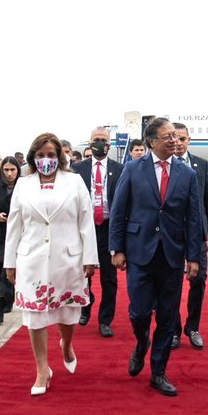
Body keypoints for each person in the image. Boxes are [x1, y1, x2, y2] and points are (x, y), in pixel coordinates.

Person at [109, 117, 201, 397]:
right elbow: (119, 209)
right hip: (139, 251)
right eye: (167, 136)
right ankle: (141, 342)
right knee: (138, 312)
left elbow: (193, 218)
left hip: (172, 254)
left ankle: (158, 372)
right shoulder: (134, 168)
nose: (174, 140)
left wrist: (194, 257)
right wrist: (117, 248)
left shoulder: (187, 174)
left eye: (175, 135)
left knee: (167, 314)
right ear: (151, 142)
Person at [4, 134, 98, 396]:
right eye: (41, 155)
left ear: (60, 157)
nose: (46, 160)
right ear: (34, 157)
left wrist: (90, 257)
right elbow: (14, 224)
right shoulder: (24, 185)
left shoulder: (74, 181)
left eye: (51, 155)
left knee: (68, 312)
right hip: (32, 258)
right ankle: (42, 368)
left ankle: (66, 345)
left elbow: (85, 221)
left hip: (67, 257)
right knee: (36, 316)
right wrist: (9, 262)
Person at [172, 123, 208, 350]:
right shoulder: (164, 165)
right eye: (175, 138)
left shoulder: (201, 165)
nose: (179, 143)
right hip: (171, 233)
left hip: (196, 233)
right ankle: (172, 329)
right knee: (171, 283)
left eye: (183, 139)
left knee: (198, 280)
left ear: (189, 140)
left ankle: (192, 328)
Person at [72, 127, 123, 336]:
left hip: (109, 228)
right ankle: (85, 305)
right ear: (89, 142)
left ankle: (105, 320)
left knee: (109, 278)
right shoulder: (77, 169)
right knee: (84, 273)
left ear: (109, 145)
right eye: (96, 140)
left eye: (103, 140)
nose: (99, 143)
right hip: (85, 228)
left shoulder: (120, 169)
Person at [0, 155, 21, 325]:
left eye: (13, 170)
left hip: (18, 234)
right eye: (6, 170)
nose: (9, 174)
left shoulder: (23, 187)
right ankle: (4, 298)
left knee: (7, 270)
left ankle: (2, 302)